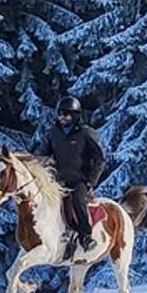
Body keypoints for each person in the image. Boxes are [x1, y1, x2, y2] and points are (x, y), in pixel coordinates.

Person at [37, 96, 106, 254]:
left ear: (75, 116)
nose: (62, 118)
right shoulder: (53, 133)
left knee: (78, 202)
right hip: (57, 179)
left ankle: (86, 236)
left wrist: (91, 181)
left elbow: (99, 159)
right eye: (60, 114)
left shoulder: (86, 133)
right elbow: (43, 153)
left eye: (66, 115)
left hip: (78, 179)